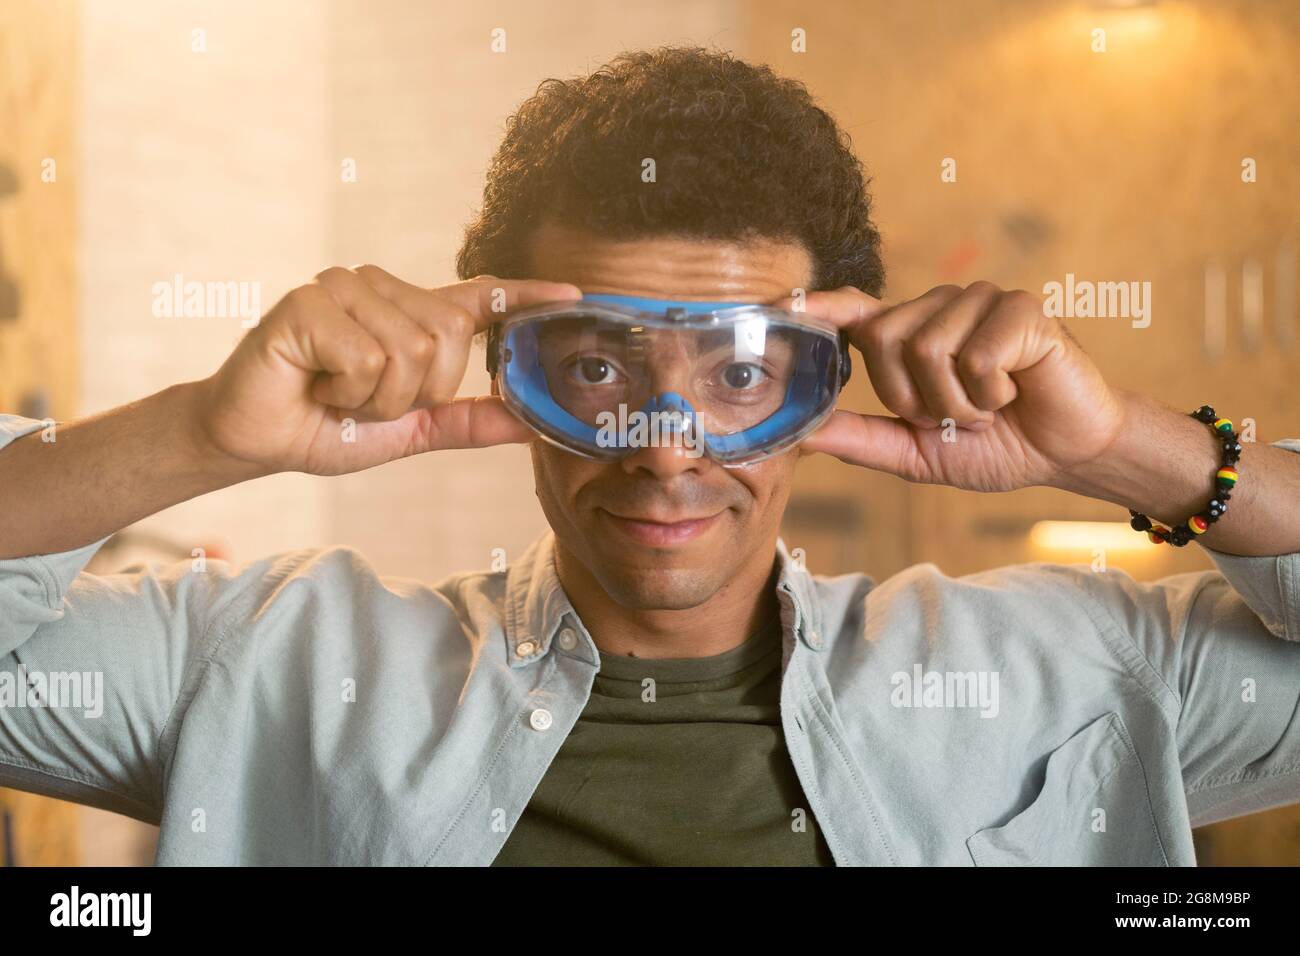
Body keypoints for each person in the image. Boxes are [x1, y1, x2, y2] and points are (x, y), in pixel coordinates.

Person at [2, 46, 1299, 866]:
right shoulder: (271, 671)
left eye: (740, 375)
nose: (667, 452)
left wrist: (1129, 448)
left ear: (817, 382)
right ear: (512, 362)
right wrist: (201, 436)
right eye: (602, 369)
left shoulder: (1069, 677)